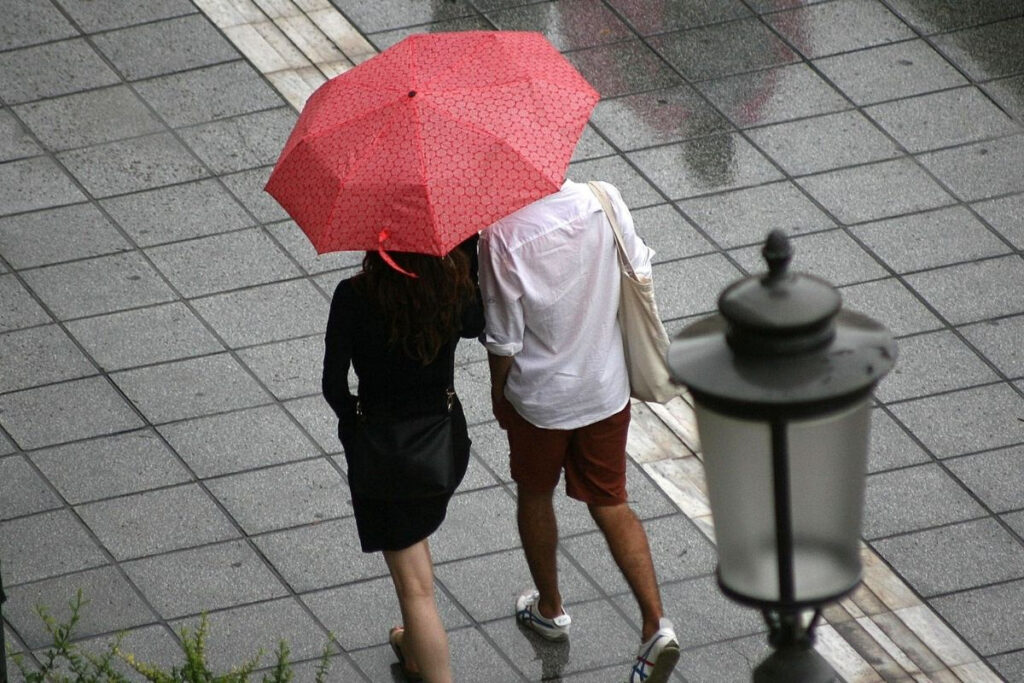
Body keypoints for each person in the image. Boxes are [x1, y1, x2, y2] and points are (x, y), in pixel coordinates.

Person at [478, 179, 680, 683]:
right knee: (611, 500)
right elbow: (639, 268)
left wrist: (498, 394)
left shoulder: (500, 236)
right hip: (604, 386)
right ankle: (656, 625)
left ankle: (550, 609)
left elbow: (504, 338)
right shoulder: (603, 197)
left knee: (535, 494)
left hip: (541, 399)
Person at [322, 238, 484, 683]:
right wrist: (468, 251)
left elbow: (333, 386)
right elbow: (477, 324)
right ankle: (413, 650)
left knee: (416, 588)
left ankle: (433, 669)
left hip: (387, 457)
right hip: (443, 446)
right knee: (412, 546)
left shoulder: (354, 296)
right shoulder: (451, 286)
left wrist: (355, 425)